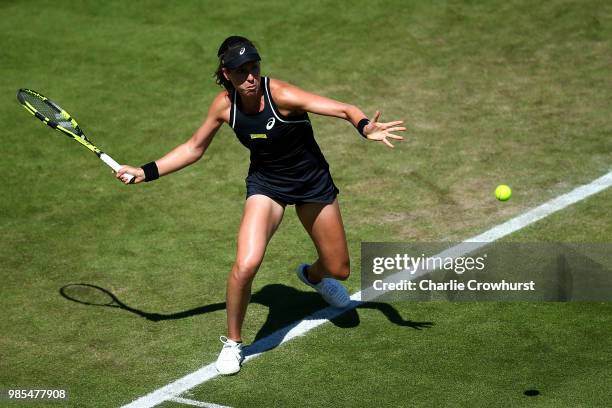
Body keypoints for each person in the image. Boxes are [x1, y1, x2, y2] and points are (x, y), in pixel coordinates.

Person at [116, 35, 405, 375]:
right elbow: (194, 147)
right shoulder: (224, 106)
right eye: (241, 71)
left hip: (312, 184)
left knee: (338, 269)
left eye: (254, 68)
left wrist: (364, 126)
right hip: (267, 186)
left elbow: (342, 108)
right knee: (246, 263)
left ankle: (312, 276)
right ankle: (233, 343)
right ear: (226, 74)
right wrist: (144, 172)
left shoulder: (280, 94)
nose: (250, 76)